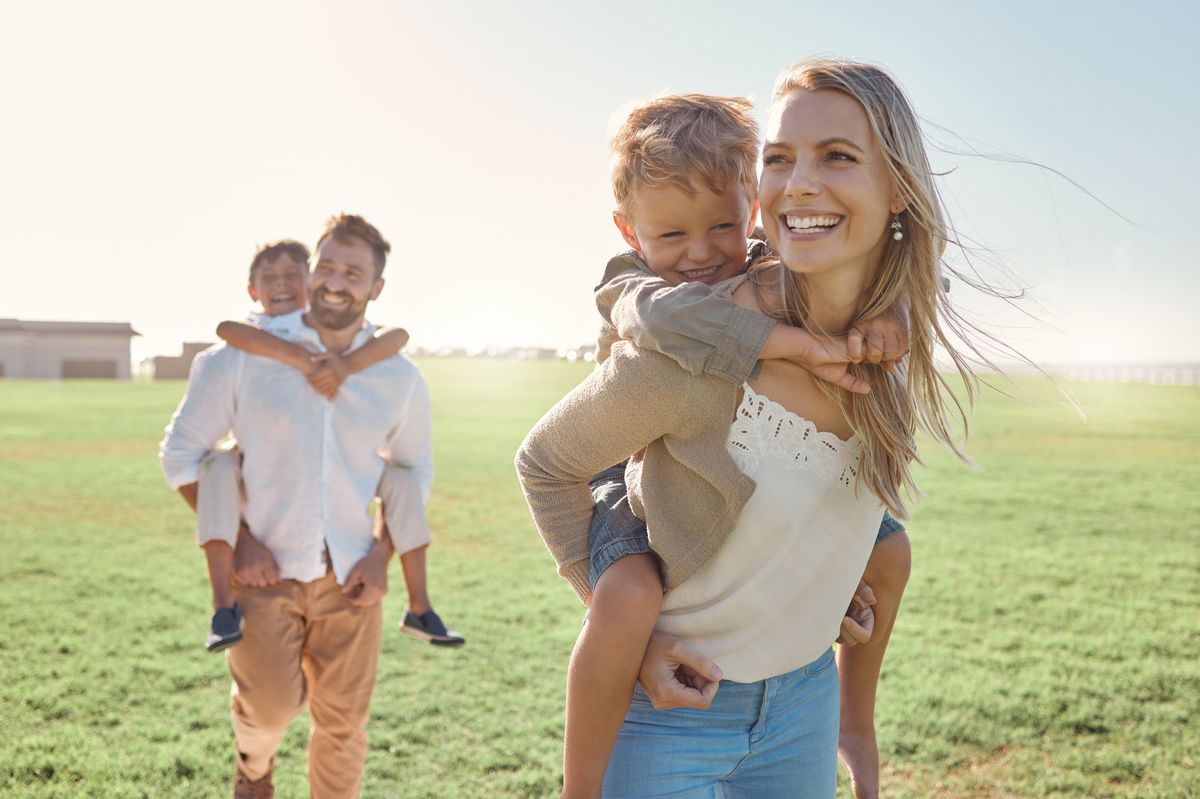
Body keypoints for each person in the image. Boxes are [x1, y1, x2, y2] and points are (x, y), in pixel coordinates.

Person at [518, 57, 993, 797]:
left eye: (837, 155)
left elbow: (918, 273)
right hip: (672, 709)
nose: (799, 183)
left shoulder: (890, 336)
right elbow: (547, 459)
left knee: (890, 548)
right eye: (781, 158)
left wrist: (814, 593)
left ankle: (855, 723)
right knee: (627, 594)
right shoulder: (686, 346)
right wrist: (620, 620)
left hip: (805, 700)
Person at [161, 214, 432, 797]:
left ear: (376, 287)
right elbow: (181, 457)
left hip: (352, 579)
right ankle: (253, 767)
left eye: (353, 273)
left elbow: (413, 473)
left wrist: (380, 555)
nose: (335, 282)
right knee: (269, 712)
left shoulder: (399, 377)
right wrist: (240, 541)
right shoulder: (239, 358)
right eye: (326, 267)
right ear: (310, 272)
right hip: (263, 575)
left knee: (344, 728)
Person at [190, 239, 462, 652]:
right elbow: (227, 329)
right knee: (218, 465)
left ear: (308, 283)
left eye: (292, 276)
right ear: (253, 290)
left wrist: (344, 367)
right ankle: (222, 607)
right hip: (261, 491)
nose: (282, 286)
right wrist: (301, 360)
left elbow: (398, 335)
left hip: (344, 534)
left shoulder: (346, 339)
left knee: (405, 478)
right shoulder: (258, 337)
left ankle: (420, 606)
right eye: (269, 279)